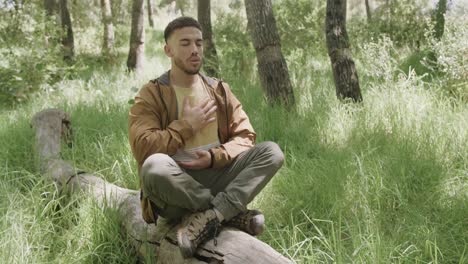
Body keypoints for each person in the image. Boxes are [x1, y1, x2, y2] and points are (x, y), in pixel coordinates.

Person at [128, 16, 284, 259]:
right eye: (185, 43)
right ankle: (228, 211)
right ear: (168, 50)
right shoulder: (152, 93)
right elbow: (142, 147)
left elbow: (245, 136)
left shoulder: (218, 89)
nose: (194, 50)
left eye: (199, 43)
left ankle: (212, 215)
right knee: (153, 167)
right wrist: (187, 126)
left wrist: (214, 157)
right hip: (175, 188)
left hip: (218, 174)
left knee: (272, 152)